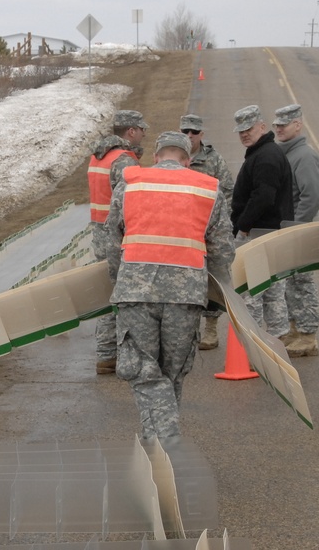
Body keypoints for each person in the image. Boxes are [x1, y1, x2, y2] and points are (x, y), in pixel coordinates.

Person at [106, 131, 235, 441]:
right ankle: (163, 446)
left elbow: (112, 242)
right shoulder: (207, 189)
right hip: (186, 295)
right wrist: (217, 298)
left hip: (136, 292)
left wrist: (118, 280)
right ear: (188, 160)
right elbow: (222, 251)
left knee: (143, 371)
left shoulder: (130, 184)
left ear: (156, 156)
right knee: (172, 374)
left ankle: (162, 440)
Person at [87, 109, 147, 374]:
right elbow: (131, 203)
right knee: (125, 297)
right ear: (131, 131)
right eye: (141, 130)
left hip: (99, 235)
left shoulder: (98, 156)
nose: (144, 134)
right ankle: (123, 356)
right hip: (119, 237)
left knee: (105, 295)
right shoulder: (124, 161)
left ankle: (105, 354)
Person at [231, 105, 294, 338]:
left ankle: (253, 344)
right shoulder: (265, 152)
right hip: (271, 233)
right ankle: (278, 338)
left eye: (249, 129)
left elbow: (264, 197)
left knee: (252, 291)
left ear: (262, 126)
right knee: (272, 290)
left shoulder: (266, 157)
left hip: (259, 233)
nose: (245, 134)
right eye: (241, 131)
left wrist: (243, 226)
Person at [180, 113, 235, 350]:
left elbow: (228, 192)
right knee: (184, 281)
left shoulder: (213, 160)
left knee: (211, 280)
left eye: (194, 132)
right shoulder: (172, 157)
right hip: (182, 232)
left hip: (207, 231)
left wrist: (218, 224)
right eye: (185, 132)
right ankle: (187, 330)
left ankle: (211, 329)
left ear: (202, 134)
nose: (189, 136)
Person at [272, 104, 319, 357]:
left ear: (298, 125)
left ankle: (308, 335)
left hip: (298, 231)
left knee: (302, 283)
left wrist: (296, 228)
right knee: (290, 284)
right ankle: (295, 329)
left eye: (285, 124)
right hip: (286, 230)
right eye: (277, 125)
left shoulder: (304, 155)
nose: (279, 128)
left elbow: (311, 197)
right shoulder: (286, 153)